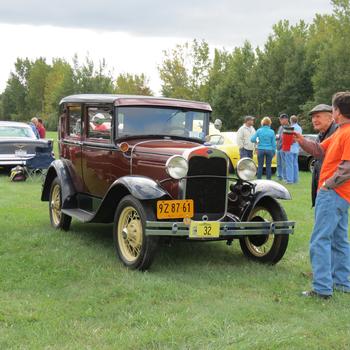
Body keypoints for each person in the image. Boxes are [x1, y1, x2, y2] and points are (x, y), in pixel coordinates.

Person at [294, 91, 350, 299]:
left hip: (333, 194)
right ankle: (343, 284)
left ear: (337, 111)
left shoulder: (347, 132)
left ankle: (322, 288)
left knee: (319, 240)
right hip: (340, 196)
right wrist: (300, 140)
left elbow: (347, 168)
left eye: (333, 109)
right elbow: (319, 150)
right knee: (339, 240)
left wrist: (327, 185)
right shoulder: (340, 132)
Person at [309, 104, 338, 207]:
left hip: (332, 189)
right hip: (323, 187)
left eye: (318, 116)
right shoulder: (321, 135)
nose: (314, 120)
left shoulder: (337, 133)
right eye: (313, 117)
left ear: (330, 118)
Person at [284, 115, 302, 184]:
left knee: (289, 164)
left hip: (290, 148)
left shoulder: (291, 128)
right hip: (296, 148)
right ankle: (295, 179)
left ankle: (290, 180)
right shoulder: (299, 128)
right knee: (295, 164)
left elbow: (289, 139)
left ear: (291, 121)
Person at [276, 114, 289, 181]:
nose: (280, 121)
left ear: (286, 119)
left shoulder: (288, 127)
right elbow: (278, 136)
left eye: (281, 119)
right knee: (279, 164)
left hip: (284, 148)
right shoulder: (280, 127)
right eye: (280, 119)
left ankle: (285, 177)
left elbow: (287, 139)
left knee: (284, 164)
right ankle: (279, 176)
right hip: (278, 147)